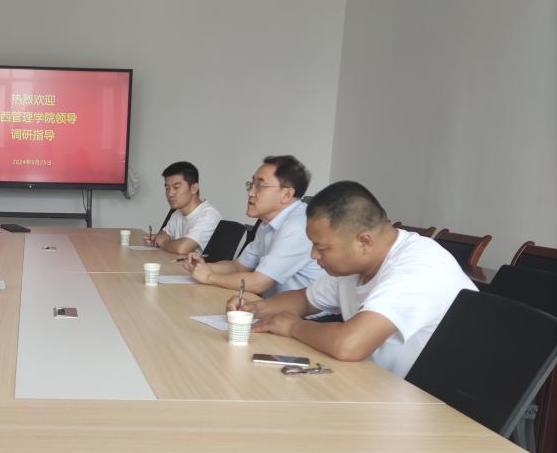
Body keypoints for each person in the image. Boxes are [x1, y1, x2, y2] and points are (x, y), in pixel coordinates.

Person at [231, 180, 476, 377]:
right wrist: (255, 308)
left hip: (436, 405)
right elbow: (305, 300)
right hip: (375, 383)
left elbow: (349, 344)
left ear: (364, 241)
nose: (314, 255)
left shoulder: (418, 267)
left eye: (321, 248)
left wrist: (292, 326)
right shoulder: (357, 265)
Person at [184, 155, 324, 295]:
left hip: (305, 309)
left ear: (286, 194)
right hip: (274, 304)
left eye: (260, 186)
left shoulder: (298, 226)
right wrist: (203, 266)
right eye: (251, 184)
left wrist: (209, 277)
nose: (250, 193)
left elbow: (259, 283)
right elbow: (239, 266)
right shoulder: (267, 223)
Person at [143, 161, 221, 255]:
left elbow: (182, 248)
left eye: (176, 187)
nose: (170, 193)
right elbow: (161, 236)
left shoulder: (209, 215)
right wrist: (163, 241)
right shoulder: (177, 213)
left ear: (194, 188)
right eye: (167, 188)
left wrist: (163, 243)